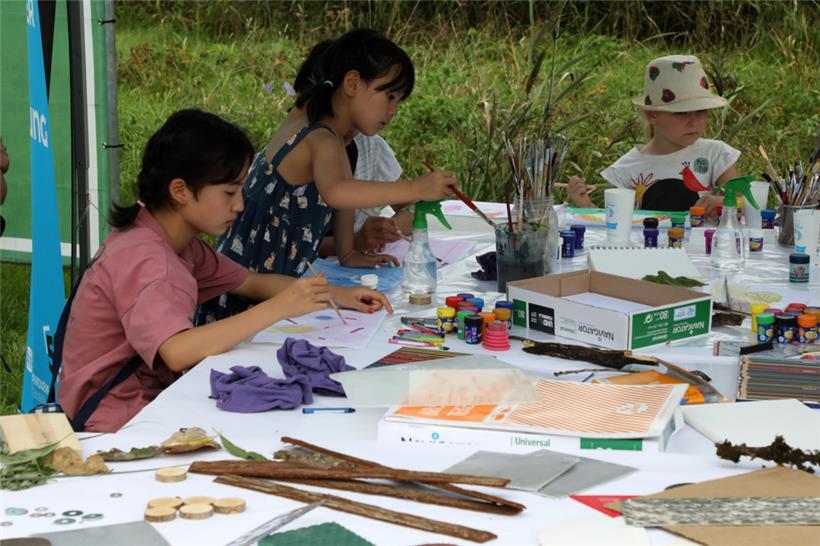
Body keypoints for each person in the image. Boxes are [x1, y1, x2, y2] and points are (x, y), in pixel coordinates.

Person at [58, 110, 392, 432]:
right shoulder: (151, 262)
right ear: (180, 190)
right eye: (229, 192)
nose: (239, 205)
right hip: (113, 422)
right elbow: (177, 351)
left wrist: (336, 294)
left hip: (140, 402)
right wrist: (279, 308)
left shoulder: (169, 238)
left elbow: (249, 281)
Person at [198, 29, 455, 323]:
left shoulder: (325, 129)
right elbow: (337, 192)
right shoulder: (318, 136)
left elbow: (345, 194)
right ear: (352, 83)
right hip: (249, 287)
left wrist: (349, 254)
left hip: (264, 277)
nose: (394, 110)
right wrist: (414, 188)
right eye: (390, 96)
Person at [567, 55, 739, 217]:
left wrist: (721, 202)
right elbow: (615, 221)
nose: (693, 121)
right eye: (681, 113)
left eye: (700, 111)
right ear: (651, 115)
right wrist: (586, 205)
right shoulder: (626, 169)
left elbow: (746, 203)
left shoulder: (716, 154)